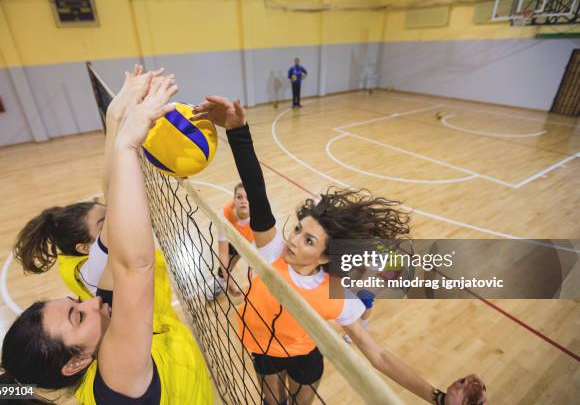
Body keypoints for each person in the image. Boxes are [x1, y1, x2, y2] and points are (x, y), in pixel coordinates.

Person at [191, 96, 487, 405]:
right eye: (298, 230)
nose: (293, 240)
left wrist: (438, 398)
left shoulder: (335, 294)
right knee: (271, 402)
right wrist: (238, 130)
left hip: (304, 354)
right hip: (261, 345)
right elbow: (256, 190)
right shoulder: (271, 251)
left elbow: (379, 355)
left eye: (308, 241)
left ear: (325, 256)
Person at [0, 72, 213, 405]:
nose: (91, 302)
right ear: (74, 362)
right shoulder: (115, 385)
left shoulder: (104, 321)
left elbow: (114, 205)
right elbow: (136, 264)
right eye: (77, 317)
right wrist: (126, 145)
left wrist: (116, 114)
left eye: (75, 303)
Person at [13, 65, 169, 306]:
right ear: (84, 247)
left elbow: (112, 194)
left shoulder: (82, 256)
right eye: (103, 223)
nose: (114, 217)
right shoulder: (93, 271)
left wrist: (115, 114)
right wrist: (125, 138)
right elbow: (115, 197)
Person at [213, 183, 253, 298]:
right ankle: (219, 283)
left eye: (248, 197)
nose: (244, 201)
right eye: (239, 197)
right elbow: (223, 253)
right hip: (235, 242)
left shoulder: (259, 215)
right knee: (227, 266)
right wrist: (229, 282)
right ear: (234, 200)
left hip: (253, 243)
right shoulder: (224, 215)